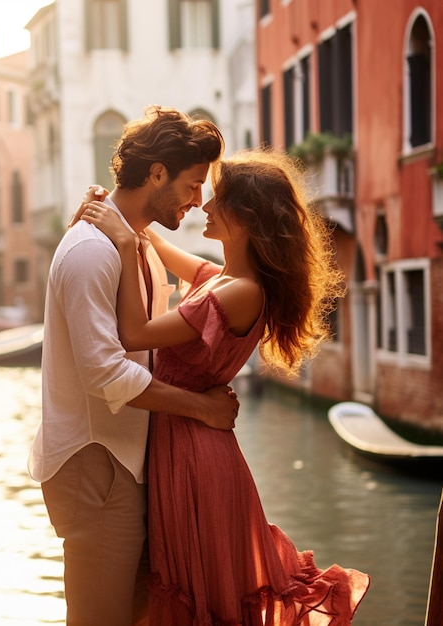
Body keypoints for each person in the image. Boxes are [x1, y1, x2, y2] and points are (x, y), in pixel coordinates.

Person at [80, 148, 371, 625]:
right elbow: (155, 245)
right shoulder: (223, 278)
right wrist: (121, 216)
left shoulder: (241, 290)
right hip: (189, 442)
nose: (204, 207)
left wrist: (121, 239)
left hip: (195, 455)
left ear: (247, 217)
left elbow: (133, 334)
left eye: (217, 199)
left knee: (202, 593)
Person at [28, 105, 241, 626]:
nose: (198, 200)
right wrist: (202, 410)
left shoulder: (135, 244)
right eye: (193, 186)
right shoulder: (90, 252)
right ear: (157, 174)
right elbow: (106, 375)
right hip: (96, 463)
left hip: (127, 461)